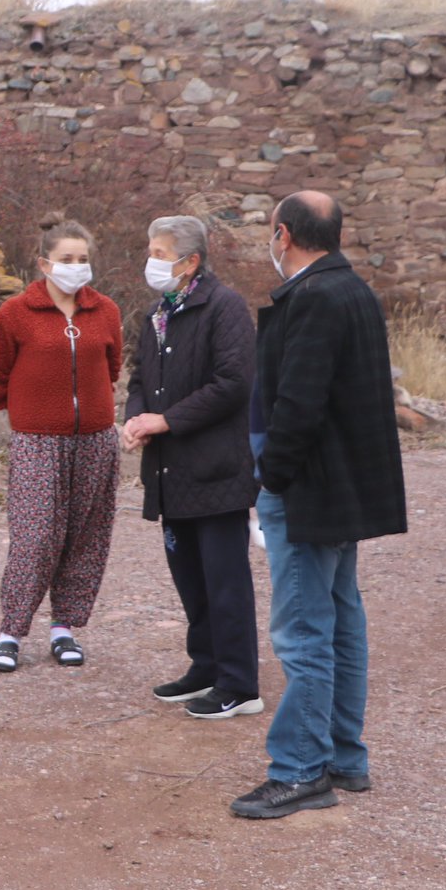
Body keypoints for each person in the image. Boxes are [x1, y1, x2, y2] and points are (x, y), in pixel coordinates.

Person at [230, 191, 406, 820]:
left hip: (308, 487)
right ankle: (342, 757)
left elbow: (298, 404)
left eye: (269, 233)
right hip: (339, 486)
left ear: (283, 235)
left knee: (303, 628)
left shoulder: (314, 297)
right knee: (339, 615)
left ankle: (301, 770)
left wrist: (268, 478)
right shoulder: (351, 289)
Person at [120, 216, 263, 720]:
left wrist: (166, 421)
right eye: (152, 250)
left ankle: (240, 683)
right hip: (170, 472)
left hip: (216, 471)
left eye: (161, 253)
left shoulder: (224, 308)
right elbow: (140, 375)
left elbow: (232, 384)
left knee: (224, 580)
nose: (152, 262)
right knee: (190, 578)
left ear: (191, 261)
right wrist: (135, 418)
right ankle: (205, 666)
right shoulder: (159, 311)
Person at [0, 220, 122, 673]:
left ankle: (64, 628)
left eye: (83, 260)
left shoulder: (106, 311)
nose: (76, 268)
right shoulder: (16, 313)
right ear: (44, 264)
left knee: (85, 535)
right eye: (66, 259)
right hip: (38, 443)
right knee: (35, 536)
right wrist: (31, 413)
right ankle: (10, 632)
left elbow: (112, 366)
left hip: (96, 440)